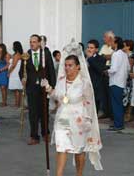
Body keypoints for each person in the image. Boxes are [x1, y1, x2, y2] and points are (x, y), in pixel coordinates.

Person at [41, 48, 103, 176]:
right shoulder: (61, 80)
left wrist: (88, 120)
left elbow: (90, 104)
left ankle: (79, 174)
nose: (67, 68)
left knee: (78, 150)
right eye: (66, 65)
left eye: (70, 65)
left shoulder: (84, 83)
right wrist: (48, 88)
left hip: (79, 120)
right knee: (61, 148)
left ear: (78, 67)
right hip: (62, 119)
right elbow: (57, 96)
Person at [19, 34, 56, 145]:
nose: (32, 44)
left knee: (44, 111)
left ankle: (45, 133)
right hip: (31, 87)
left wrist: (52, 86)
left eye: (34, 42)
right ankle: (34, 136)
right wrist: (23, 78)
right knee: (33, 113)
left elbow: (51, 70)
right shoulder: (26, 55)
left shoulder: (46, 54)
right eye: (30, 42)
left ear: (39, 43)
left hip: (44, 87)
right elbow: (22, 71)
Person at [107, 36, 130, 131]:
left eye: (111, 41)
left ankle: (118, 125)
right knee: (119, 104)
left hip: (115, 82)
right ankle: (119, 123)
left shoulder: (116, 54)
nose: (110, 43)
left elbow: (114, 69)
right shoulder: (124, 54)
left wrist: (107, 71)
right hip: (122, 82)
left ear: (115, 43)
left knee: (116, 104)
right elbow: (128, 68)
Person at [86, 39, 107, 116]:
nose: (89, 49)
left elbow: (99, 70)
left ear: (96, 49)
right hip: (85, 86)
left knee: (94, 109)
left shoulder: (101, 58)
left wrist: (90, 58)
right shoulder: (84, 58)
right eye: (88, 47)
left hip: (95, 87)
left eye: (91, 48)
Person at [122, 40, 134, 122]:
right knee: (124, 97)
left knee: (129, 96)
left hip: (129, 79)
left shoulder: (132, 55)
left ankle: (128, 115)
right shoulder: (123, 54)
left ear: (128, 46)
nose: (123, 47)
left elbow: (130, 67)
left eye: (124, 46)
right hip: (123, 78)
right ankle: (124, 114)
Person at [8, 41, 23, 107]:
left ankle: (17, 104)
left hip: (15, 73)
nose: (12, 47)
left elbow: (14, 65)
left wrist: (9, 72)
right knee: (18, 90)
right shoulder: (18, 54)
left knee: (16, 89)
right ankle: (18, 104)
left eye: (13, 46)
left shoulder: (17, 55)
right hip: (16, 72)